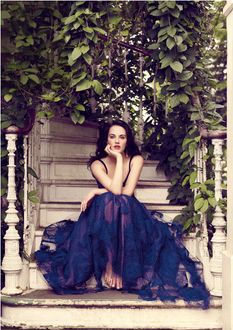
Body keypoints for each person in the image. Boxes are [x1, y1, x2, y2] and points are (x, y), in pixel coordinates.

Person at [35, 119, 210, 308]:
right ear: (106, 140)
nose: (117, 141)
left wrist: (98, 188)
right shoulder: (97, 164)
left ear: (128, 140)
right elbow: (117, 191)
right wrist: (108, 184)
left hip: (129, 214)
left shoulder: (136, 159)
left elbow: (125, 193)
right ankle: (111, 264)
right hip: (101, 217)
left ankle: (117, 265)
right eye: (112, 137)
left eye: (122, 137)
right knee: (109, 201)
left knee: (118, 201)